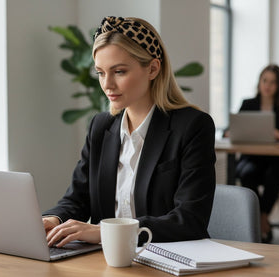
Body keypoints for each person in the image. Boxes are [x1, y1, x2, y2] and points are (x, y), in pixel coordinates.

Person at [42, 16, 216, 247]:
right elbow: (77, 198)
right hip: (106, 262)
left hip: (166, 258)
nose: (107, 84)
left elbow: (190, 219)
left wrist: (106, 232)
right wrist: (53, 219)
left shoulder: (192, 126)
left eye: (119, 71)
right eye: (101, 73)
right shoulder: (101, 126)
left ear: (153, 68)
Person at [234, 64, 279, 243]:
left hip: (277, 160)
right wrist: (230, 131)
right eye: (265, 80)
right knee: (246, 173)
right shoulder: (248, 103)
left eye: (273, 82)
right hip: (252, 158)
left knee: (273, 175)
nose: (268, 85)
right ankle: (261, 218)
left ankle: (261, 218)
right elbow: (233, 127)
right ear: (259, 82)